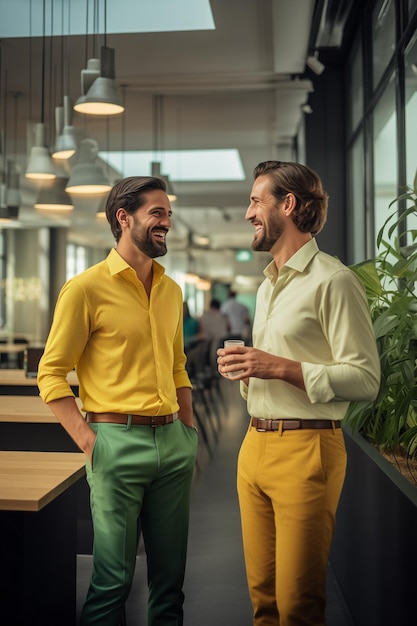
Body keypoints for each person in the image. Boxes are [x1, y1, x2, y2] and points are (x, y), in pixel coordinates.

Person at [217, 160, 380, 626]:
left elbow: (365, 378)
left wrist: (278, 367)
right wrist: (250, 373)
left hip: (309, 450)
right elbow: (275, 369)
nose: (248, 212)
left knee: (298, 605)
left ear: (288, 204)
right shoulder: (267, 286)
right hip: (254, 447)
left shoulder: (334, 280)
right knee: (263, 600)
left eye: (255, 201)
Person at [37, 176, 198, 626]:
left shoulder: (171, 290)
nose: (167, 221)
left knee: (170, 582)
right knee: (112, 581)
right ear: (124, 218)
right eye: (157, 213)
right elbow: (50, 374)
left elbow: (178, 366)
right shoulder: (85, 289)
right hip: (114, 444)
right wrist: (92, 443)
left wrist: (189, 429)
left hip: (173, 441)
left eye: (168, 212)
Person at [198, 298, 230, 368]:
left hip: (206, 342)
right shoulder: (222, 316)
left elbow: (201, 329)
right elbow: (228, 327)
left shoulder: (204, 315)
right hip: (220, 341)